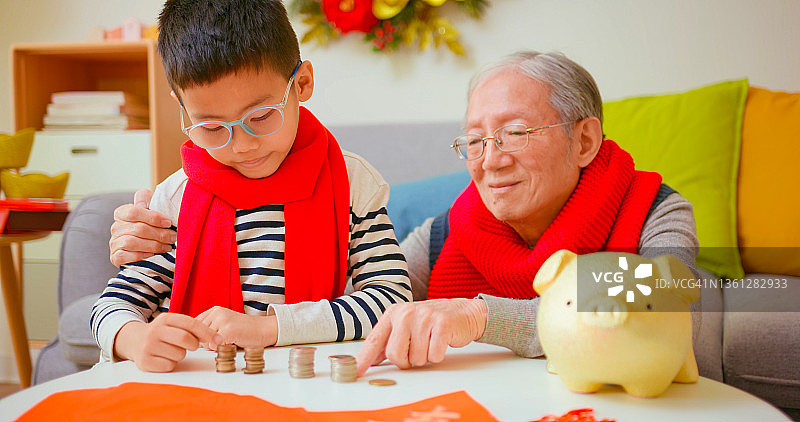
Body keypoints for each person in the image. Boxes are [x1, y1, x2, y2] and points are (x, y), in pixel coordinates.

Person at [109, 51, 700, 375]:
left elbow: (664, 303)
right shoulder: (446, 233)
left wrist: (480, 315)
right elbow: (359, 297)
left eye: (515, 133)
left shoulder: (653, 208)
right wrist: (167, 243)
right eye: (474, 140)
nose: (490, 160)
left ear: (585, 140)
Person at [92, 0, 411, 373]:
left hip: (304, 384)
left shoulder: (353, 182)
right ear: (182, 108)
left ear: (302, 83)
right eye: (211, 127)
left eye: (260, 117)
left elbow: (392, 300)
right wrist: (133, 338)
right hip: (199, 384)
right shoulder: (175, 200)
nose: (242, 146)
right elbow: (113, 304)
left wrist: (270, 329)